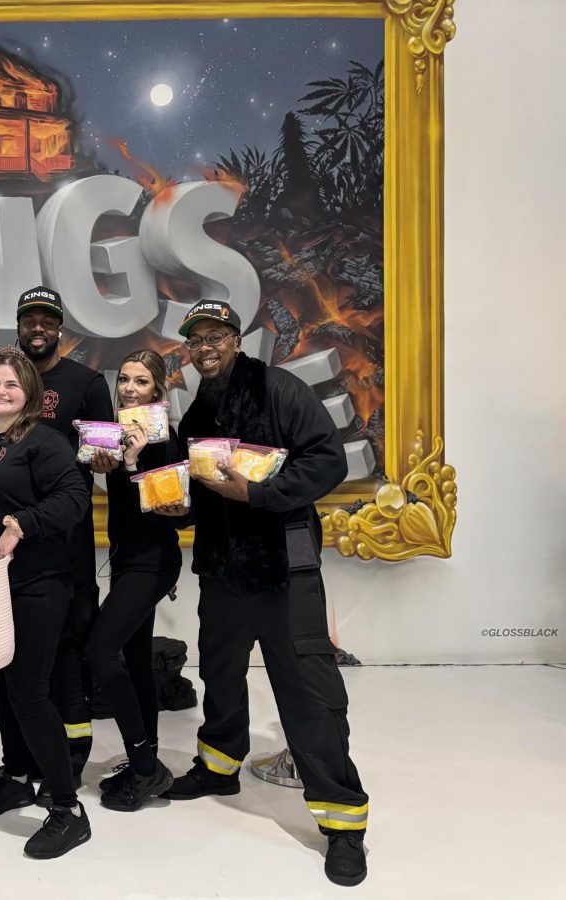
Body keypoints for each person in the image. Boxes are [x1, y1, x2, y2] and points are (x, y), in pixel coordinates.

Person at [168, 300, 370, 887]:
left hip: (285, 569)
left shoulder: (280, 389)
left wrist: (257, 495)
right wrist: (178, 504)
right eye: (195, 340)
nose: (204, 347)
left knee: (308, 692)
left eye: (214, 337)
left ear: (236, 339)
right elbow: (198, 483)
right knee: (222, 675)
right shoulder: (199, 407)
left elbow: (328, 461)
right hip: (223, 569)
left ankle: (343, 823)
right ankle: (219, 766)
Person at [0, 348, 91, 860]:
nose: (1, 391)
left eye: (12, 384)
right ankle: (17, 777)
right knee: (6, 689)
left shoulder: (43, 442)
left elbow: (75, 498)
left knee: (29, 692)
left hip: (38, 585)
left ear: (28, 393)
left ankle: (68, 810)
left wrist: (21, 524)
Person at [14, 285, 114, 793]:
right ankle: (28, 755)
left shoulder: (86, 382)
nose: (38, 328)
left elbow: (105, 450)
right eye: (29, 319)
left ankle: (72, 753)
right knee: (19, 653)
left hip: (67, 542)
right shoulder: (6, 381)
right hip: (11, 547)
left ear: (60, 329)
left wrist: (102, 458)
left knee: (69, 646)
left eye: (46, 320)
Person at [85, 350, 188, 812]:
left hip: (153, 560)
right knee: (136, 660)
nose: (129, 388)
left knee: (99, 650)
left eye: (141, 382)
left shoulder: (163, 438)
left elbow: (161, 513)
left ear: (158, 391)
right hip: (128, 559)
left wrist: (132, 465)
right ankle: (141, 760)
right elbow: (126, 508)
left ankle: (147, 768)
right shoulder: (118, 433)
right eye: (124, 379)